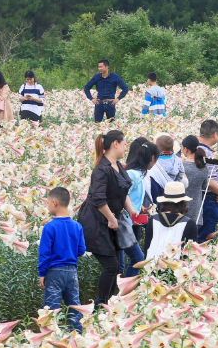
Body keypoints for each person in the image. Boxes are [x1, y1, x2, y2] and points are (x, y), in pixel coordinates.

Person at [77, 130, 134, 309]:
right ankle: (101, 305)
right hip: (96, 223)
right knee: (111, 266)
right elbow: (98, 199)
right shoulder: (101, 170)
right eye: (124, 143)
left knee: (116, 267)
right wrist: (111, 218)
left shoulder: (118, 167)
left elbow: (122, 192)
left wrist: (132, 211)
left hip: (110, 222)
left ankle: (106, 303)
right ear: (115, 144)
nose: (126, 146)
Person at [38, 186, 86, 333]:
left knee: (51, 309)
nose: (48, 207)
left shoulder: (49, 227)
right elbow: (81, 250)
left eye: (47, 204)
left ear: (54, 203)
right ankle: (77, 337)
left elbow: (44, 253)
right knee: (74, 307)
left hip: (54, 272)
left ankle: (51, 338)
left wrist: (41, 273)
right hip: (72, 272)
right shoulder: (77, 226)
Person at [117, 140, 158, 278]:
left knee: (120, 265)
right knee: (138, 259)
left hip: (127, 222)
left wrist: (140, 207)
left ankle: (116, 295)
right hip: (123, 223)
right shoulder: (133, 174)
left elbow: (130, 195)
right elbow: (122, 195)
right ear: (152, 158)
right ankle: (125, 294)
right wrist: (131, 211)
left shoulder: (137, 173)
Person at [143, 181, 199, 261]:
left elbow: (147, 247)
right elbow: (191, 254)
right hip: (178, 269)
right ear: (183, 202)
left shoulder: (153, 219)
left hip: (152, 266)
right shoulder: (190, 224)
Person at [181, 135, 218, 229]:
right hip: (196, 210)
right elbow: (204, 186)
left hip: (181, 208)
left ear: (185, 149)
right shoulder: (203, 167)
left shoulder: (182, 166)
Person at [197, 120, 218, 243]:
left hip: (203, 198)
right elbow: (210, 181)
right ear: (214, 134)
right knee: (205, 238)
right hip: (209, 199)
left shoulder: (197, 148)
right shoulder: (206, 153)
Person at [147, 135, 187, 207]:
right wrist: (176, 181)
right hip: (173, 191)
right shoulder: (178, 159)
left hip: (160, 191)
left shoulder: (155, 161)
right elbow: (181, 173)